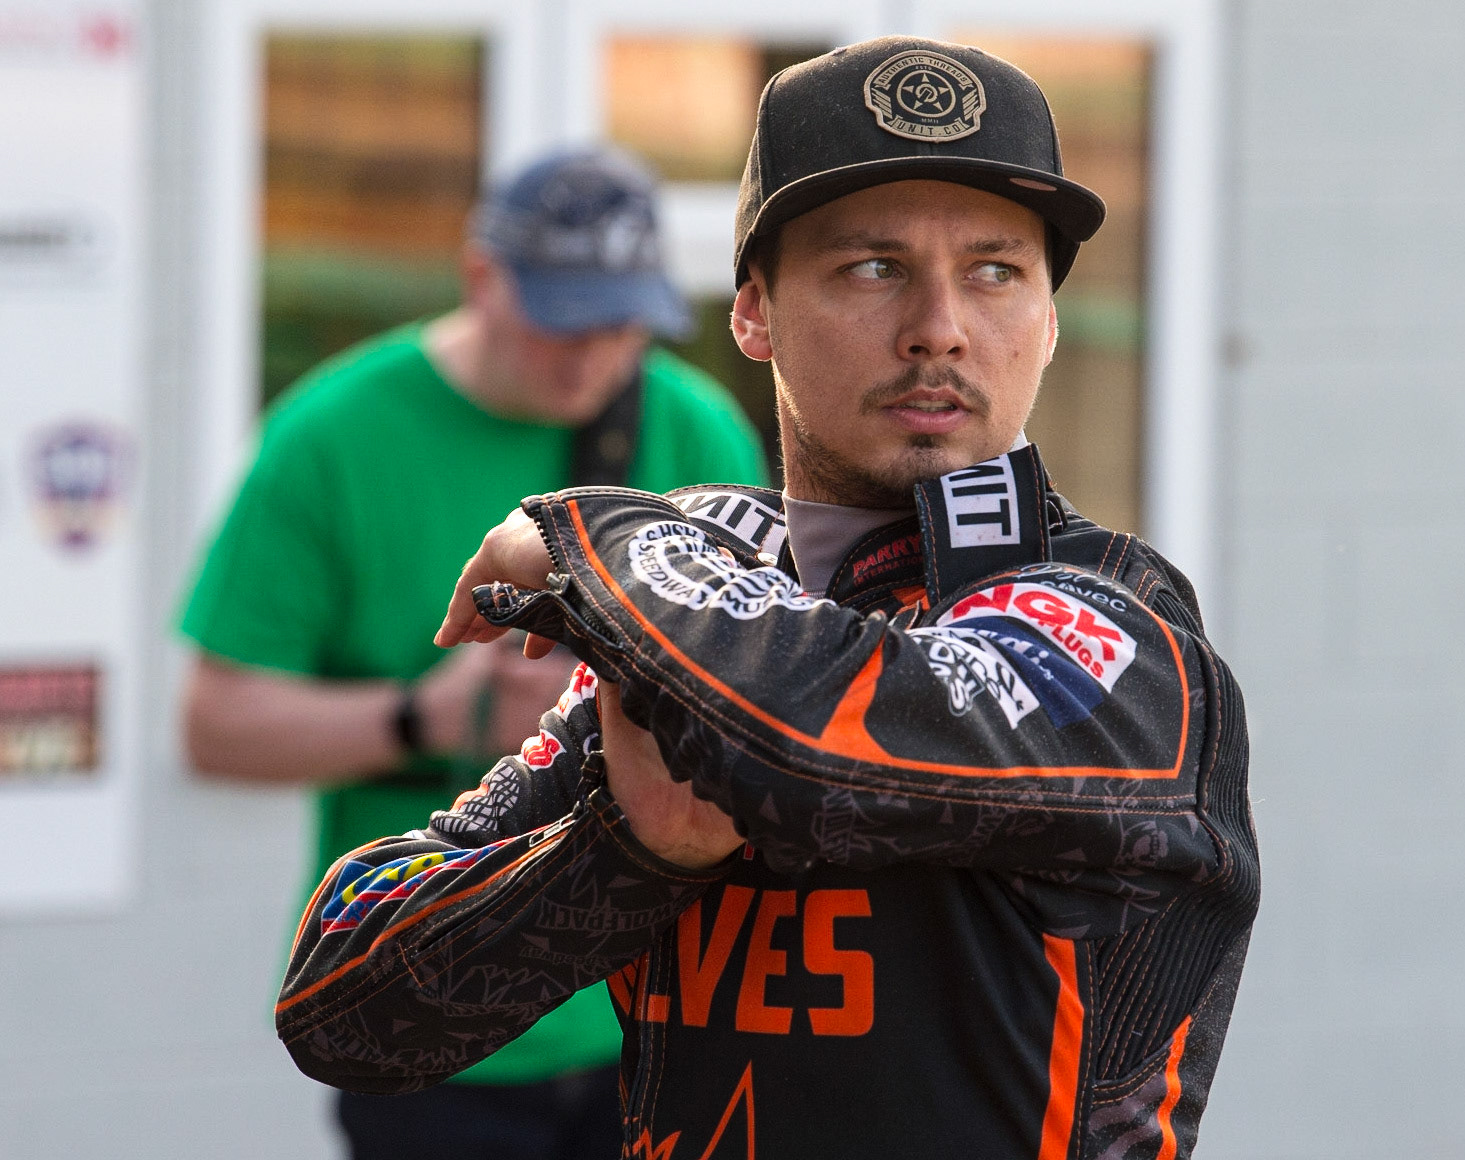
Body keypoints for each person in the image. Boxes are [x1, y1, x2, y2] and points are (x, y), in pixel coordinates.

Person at [275, 38, 1258, 1160]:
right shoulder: (694, 614)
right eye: (873, 267)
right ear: (753, 313)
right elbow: (336, 1002)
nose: (941, 323)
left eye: (995, 270)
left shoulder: (1118, 620)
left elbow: (812, 737)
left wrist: (593, 535)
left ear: (1042, 318)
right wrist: (629, 852)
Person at [180, 146, 769, 1160]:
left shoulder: (695, 425)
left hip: (666, 1003)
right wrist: (423, 718)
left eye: (623, 325)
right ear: (481, 278)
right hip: (436, 1009)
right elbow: (213, 725)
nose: (593, 359)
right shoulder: (330, 437)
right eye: (564, 321)